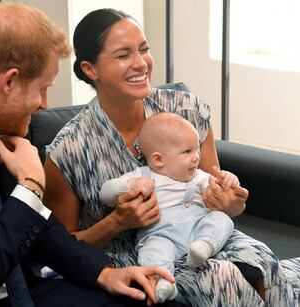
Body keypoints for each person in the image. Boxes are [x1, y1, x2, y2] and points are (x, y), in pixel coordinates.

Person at [0, 3, 179, 307]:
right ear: (8, 81)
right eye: (42, 89)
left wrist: (105, 273)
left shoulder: (5, 124)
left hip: (24, 290)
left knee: (150, 300)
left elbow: (42, 228)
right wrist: (29, 189)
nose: (44, 104)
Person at [44, 8, 296, 306]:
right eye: (123, 55)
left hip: (206, 235)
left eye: (144, 49)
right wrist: (117, 222)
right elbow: (58, 249)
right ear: (90, 69)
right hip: (142, 257)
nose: (141, 63)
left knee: (264, 260)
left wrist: (231, 202)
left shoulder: (186, 110)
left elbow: (219, 194)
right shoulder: (68, 149)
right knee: (219, 277)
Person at [99, 112, 239, 303]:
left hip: (198, 227)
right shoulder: (144, 176)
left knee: (222, 220)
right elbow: (105, 194)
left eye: (196, 149)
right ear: (158, 160)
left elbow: (222, 189)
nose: (196, 158)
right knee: (152, 251)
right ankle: (164, 281)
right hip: (161, 234)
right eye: (187, 152)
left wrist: (229, 179)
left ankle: (204, 247)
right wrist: (130, 184)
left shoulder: (198, 176)